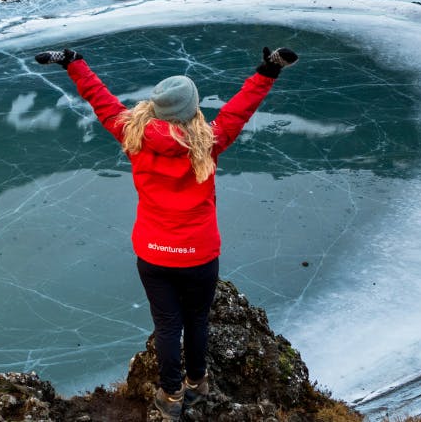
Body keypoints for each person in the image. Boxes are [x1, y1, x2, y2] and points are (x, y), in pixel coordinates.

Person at [34, 45, 299, 421]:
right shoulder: (208, 141)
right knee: (196, 321)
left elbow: (102, 100)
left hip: (154, 254)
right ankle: (198, 383)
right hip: (199, 254)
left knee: (167, 325)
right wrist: (268, 70)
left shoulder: (133, 135)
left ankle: (171, 395)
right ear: (192, 109)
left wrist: (74, 62)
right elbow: (239, 109)